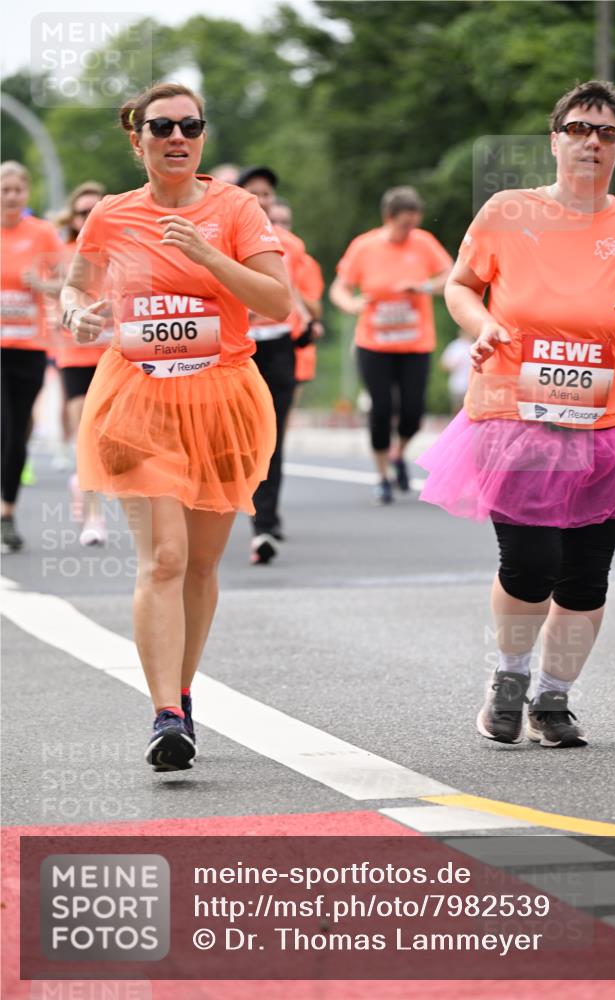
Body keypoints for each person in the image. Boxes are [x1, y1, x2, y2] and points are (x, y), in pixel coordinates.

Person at [418, 80, 615, 748]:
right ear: (554, 138)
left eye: (606, 133)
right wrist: (480, 325)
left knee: (585, 578)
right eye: (579, 129)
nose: (592, 142)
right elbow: (461, 285)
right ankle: (508, 677)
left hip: (601, 424)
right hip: (514, 413)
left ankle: (553, 701)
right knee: (530, 563)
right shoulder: (507, 211)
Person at [60, 83, 291, 771]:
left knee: (200, 565)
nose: (177, 136)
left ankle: (183, 692)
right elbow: (76, 284)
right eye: (161, 126)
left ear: (202, 135)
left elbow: (279, 303)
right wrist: (75, 312)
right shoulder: (111, 214)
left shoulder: (236, 209)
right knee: (162, 558)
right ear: (138, 140)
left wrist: (208, 256)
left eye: (190, 123)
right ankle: (164, 715)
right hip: (138, 397)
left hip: (221, 398)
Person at [330, 186, 453, 504]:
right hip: (374, 343)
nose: (409, 231)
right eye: (403, 225)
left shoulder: (424, 243)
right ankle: (383, 475)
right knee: (381, 410)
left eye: (413, 224)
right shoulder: (364, 246)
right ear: (388, 217)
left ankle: (399, 453)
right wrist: (351, 304)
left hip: (415, 343)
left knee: (413, 412)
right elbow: (339, 288)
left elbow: (451, 277)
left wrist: (423, 285)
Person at [237, 166, 311, 562]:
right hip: (236, 350)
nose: (262, 201)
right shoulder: (224, 238)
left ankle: (264, 523)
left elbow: (294, 291)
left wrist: (306, 321)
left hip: (279, 346)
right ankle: (230, 503)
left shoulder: (289, 245)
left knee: (271, 437)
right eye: (254, 194)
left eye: (267, 194)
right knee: (239, 439)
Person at [1, 161, 62, 552]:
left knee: (18, 430)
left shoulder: (42, 233)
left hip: (30, 346)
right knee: (3, 425)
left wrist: (40, 284)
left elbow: (64, 283)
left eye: (17, 190)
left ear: (27, 193)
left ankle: (7, 511)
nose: (10, 196)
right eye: (4, 189)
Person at [53, 181, 110, 544]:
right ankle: (94, 518)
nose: (87, 218)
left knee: (110, 439)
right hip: (74, 356)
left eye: (94, 211)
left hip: (116, 356)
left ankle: (83, 482)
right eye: (81, 212)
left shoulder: (124, 249)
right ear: (73, 218)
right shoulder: (64, 253)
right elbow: (60, 299)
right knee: (84, 436)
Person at [269, 198, 325, 403]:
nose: (280, 228)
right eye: (274, 221)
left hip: (292, 346)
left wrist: (288, 286)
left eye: (285, 223)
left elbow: (316, 310)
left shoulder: (305, 263)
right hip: (257, 343)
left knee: (284, 410)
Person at [440, 328, 473, 414]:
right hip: (457, 384)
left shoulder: (474, 345)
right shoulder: (455, 346)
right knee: (457, 410)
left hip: (471, 385)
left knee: (469, 411)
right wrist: (453, 365)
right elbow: (444, 365)